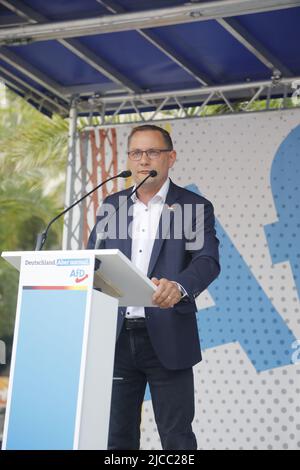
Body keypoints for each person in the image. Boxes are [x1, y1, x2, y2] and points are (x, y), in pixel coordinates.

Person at [87, 124, 220, 450]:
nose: (144, 160)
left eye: (153, 152)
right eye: (136, 153)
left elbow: (207, 261)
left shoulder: (190, 207)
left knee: (177, 439)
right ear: (129, 159)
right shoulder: (113, 205)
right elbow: (93, 262)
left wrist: (178, 285)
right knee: (116, 438)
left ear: (170, 157)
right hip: (116, 338)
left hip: (168, 334)